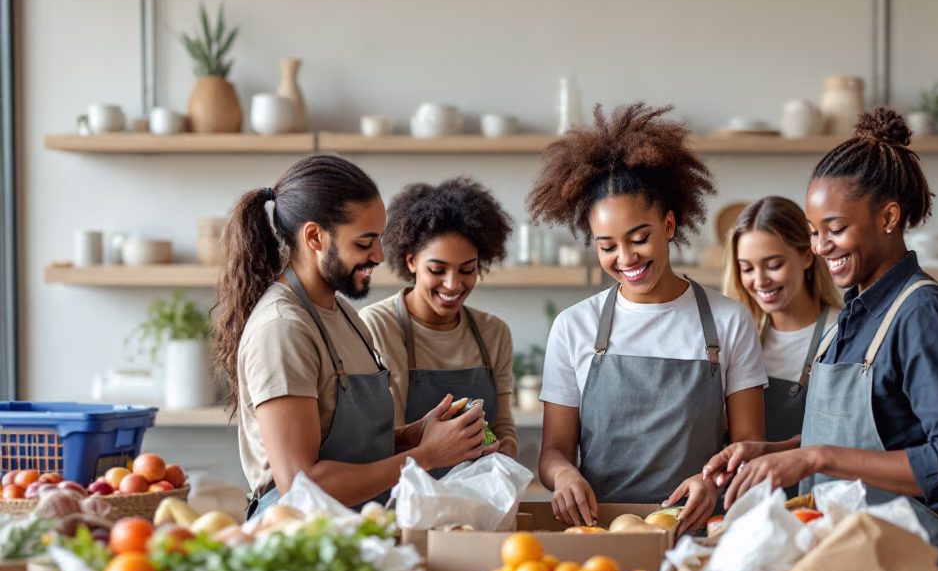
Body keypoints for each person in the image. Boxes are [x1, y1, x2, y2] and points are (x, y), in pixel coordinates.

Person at [704, 108, 938, 571]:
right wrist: (778, 452)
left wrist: (814, 458)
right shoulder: (856, 313)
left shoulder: (923, 315)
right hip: (852, 563)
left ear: (889, 216)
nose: (821, 248)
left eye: (835, 229)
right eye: (816, 233)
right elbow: (868, 435)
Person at [527, 102, 768, 537]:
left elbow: (748, 446)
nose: (625, 258)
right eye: (607, 246)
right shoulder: (574, 326)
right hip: (599, 536)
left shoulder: (729, 321)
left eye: (639, 238)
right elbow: (553, 452)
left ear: (670, 224)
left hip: (699, 533)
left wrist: (714, 483)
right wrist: (563, 476)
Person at [212, 155, 489, 518]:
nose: (378, 255)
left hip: (355, 529)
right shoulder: (283, 329)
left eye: (379, 239)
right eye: (364, 243)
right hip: (301, 544)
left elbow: (341, 443)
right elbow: (300, 484)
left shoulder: (343, 314)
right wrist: (426, 456)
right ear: (315, 237)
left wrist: (411, 435)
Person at [360, 177, 518, 472]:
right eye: (437, 269)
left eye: (467, 270)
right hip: (403, 498)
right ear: (410, 262)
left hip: (478, 497)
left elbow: (503, 424)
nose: (453, 284)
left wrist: (505, 448)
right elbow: (377, 440)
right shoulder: (376, 327)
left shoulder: (493, 333)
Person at [723, 195, 842, 497]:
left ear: (806, 257)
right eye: (746, 268)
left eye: (773, 265)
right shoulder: (737, 334)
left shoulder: (843, 333)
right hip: (743, 508)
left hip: (814, 507)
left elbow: (849, 438)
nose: (760, 280)